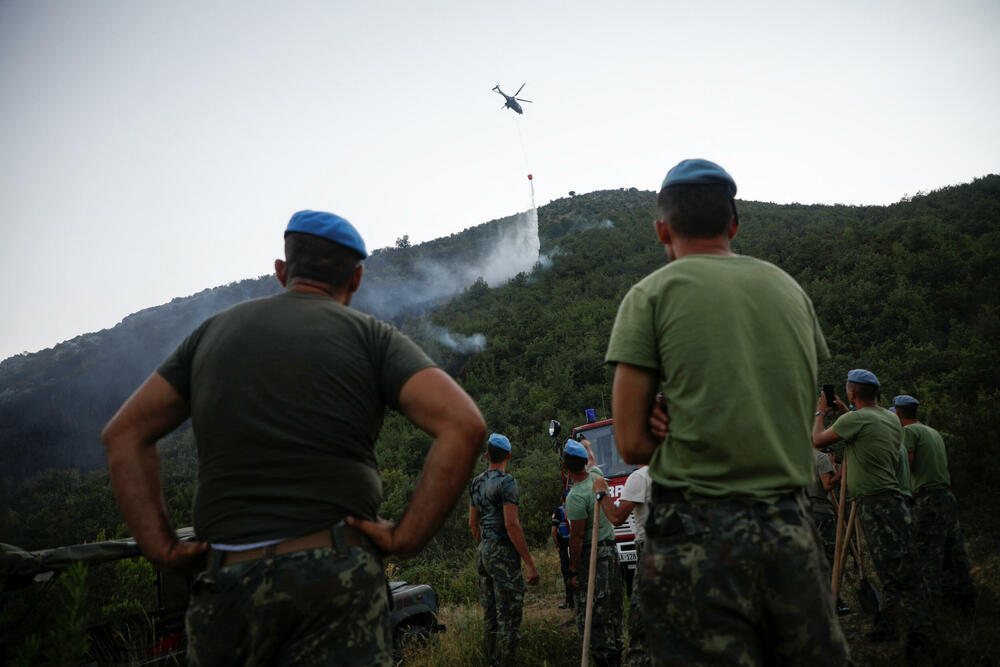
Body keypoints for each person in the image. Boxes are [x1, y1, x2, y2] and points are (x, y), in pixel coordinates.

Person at [102, 210, 487, 666]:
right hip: (335, 576)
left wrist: (162, 548)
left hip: (229, 584)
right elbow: (464, 424)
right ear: (358, 278)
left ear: (282, 271)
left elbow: (124, 434)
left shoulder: (209, 336)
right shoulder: (372, 339)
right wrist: (405, 537)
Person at [606, 158, 849, 665]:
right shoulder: (790, 292)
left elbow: (629, 444)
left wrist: (667, 422)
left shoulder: (649, 297)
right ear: (734, 223)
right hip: (788, 526)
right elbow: (788, 402)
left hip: (696, 536)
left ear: (661, 229)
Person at [813, 370, 929, 649]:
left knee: (891, 567)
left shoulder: (857, 419)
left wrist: (820, 412)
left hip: (876, 502)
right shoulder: (888, 417)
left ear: (852, 392)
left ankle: (916, 631)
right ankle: (892, 624)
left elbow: (818, 440)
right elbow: (860, 424)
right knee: (896, 563)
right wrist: (844, 409)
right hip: (892, 499)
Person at [893, 394, 977, 614]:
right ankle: (966, 603)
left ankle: (930, 610)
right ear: (917, 411)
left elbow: (906, 465)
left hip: (926, 499)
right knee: (954, 551)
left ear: (898, 414)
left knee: (926, 553)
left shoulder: (908, 432)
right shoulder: (933, 432)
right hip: (946, 496)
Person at [469, 432, 540, 667]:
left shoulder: (476, 483)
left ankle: (490, 660)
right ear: (508, 455)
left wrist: (483, 545)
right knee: (509, 615)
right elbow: (511, 524)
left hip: (483, 550)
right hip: (501, 551)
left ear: (487, 455)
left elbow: (472, 523)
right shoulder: (506, 482)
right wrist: (529, 563)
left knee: (490, 614)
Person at [564, 437, 624, 667]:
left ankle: (604, 657)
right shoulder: (597, 476)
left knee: (596, 612)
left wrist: (572, 571)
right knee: (613, 606)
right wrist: (587, 446)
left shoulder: (576, 496)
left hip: (593, 557)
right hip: (610, 552)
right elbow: (593, 460)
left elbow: (577, 538)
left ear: (566, 467)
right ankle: (616, 652)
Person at [593, 465, 651, 667]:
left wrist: (602, 493)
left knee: (639, 625)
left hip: (650, 553)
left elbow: (616, 518)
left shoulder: (640, 477)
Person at [807, 446, 851, 615]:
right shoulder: (821, 458)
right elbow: (827, 484)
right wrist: (840, 470)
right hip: (820, 513)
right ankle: (833, 599)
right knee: (829, 558)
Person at [551, 492, 574, 609]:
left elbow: (554, 531)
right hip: (576, 546)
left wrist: (557, 546)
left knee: (566, 572)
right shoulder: (576, 507)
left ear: (562, 499)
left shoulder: (558, 511)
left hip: (564, 547)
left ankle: (569, 600)